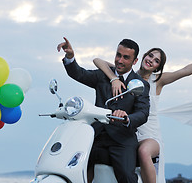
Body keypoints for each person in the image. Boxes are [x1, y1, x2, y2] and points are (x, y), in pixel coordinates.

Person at [94, 48, 192, 183]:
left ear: (157, 68)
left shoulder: (157, 81)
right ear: (143, 56)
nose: (151, 60)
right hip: (129, 134)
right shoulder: (127, 76)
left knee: (143, 151)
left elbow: (185, 71)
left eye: (156, 61)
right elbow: (98, 61)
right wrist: (113, 79)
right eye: (150, 56)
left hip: (150, 136)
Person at [57, 37, 150, 183]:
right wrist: (70, 57)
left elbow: (143, 113)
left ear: (135, 61)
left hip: (122, 139)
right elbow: (79, 74)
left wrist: (127, 117)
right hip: (95, 135)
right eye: (118, 55)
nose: (120, 60)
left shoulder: (139, 84)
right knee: (70, 167)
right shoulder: (103, 75)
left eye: (126, 57)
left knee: (127, 176)